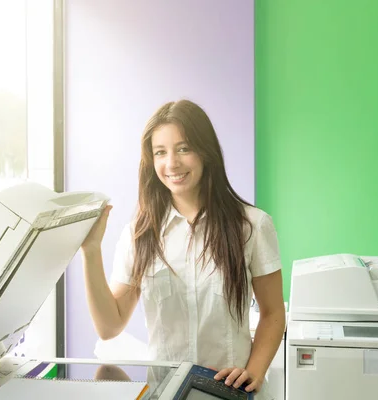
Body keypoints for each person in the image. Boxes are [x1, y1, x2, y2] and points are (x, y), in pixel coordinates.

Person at [81, 99, 286, 399]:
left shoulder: (252, 225)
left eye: (183, 149)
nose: (171, 163)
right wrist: (91, 251)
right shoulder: (140, 235)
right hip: (166, 393)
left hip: (229, 393)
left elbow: (272, 313)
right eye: (160, 153)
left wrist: (253, 372)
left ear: (206, 152)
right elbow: (109, 326)